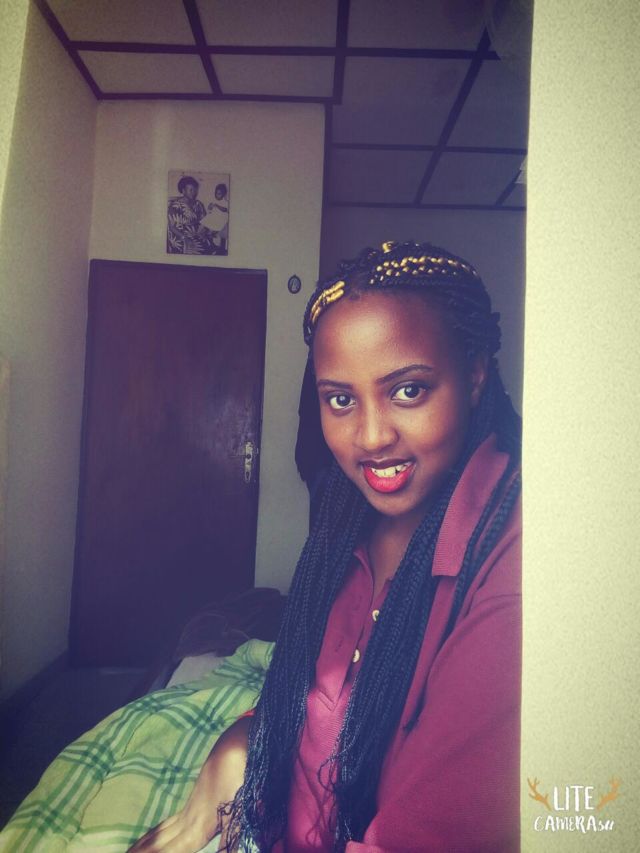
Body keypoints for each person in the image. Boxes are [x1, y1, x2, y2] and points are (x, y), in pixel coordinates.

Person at [132, 239, 521, 852]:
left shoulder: (514, 557)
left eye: (408, 390)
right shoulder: (345, 520)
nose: (371, 436)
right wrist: (244, 742)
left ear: (474, 376)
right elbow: (315, 706)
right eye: (341, 399)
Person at [167, 176, 216, 255]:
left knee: (210, 244)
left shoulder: (198, 204)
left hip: (198, 234)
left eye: (195, 190)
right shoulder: (175, 206)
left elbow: (205, 220)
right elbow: (172, 227)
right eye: (191, 190)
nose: (194, 192)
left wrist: (205, 230)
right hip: (181, 237)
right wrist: (184, 238)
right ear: (183, 191)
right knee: (201, 249)